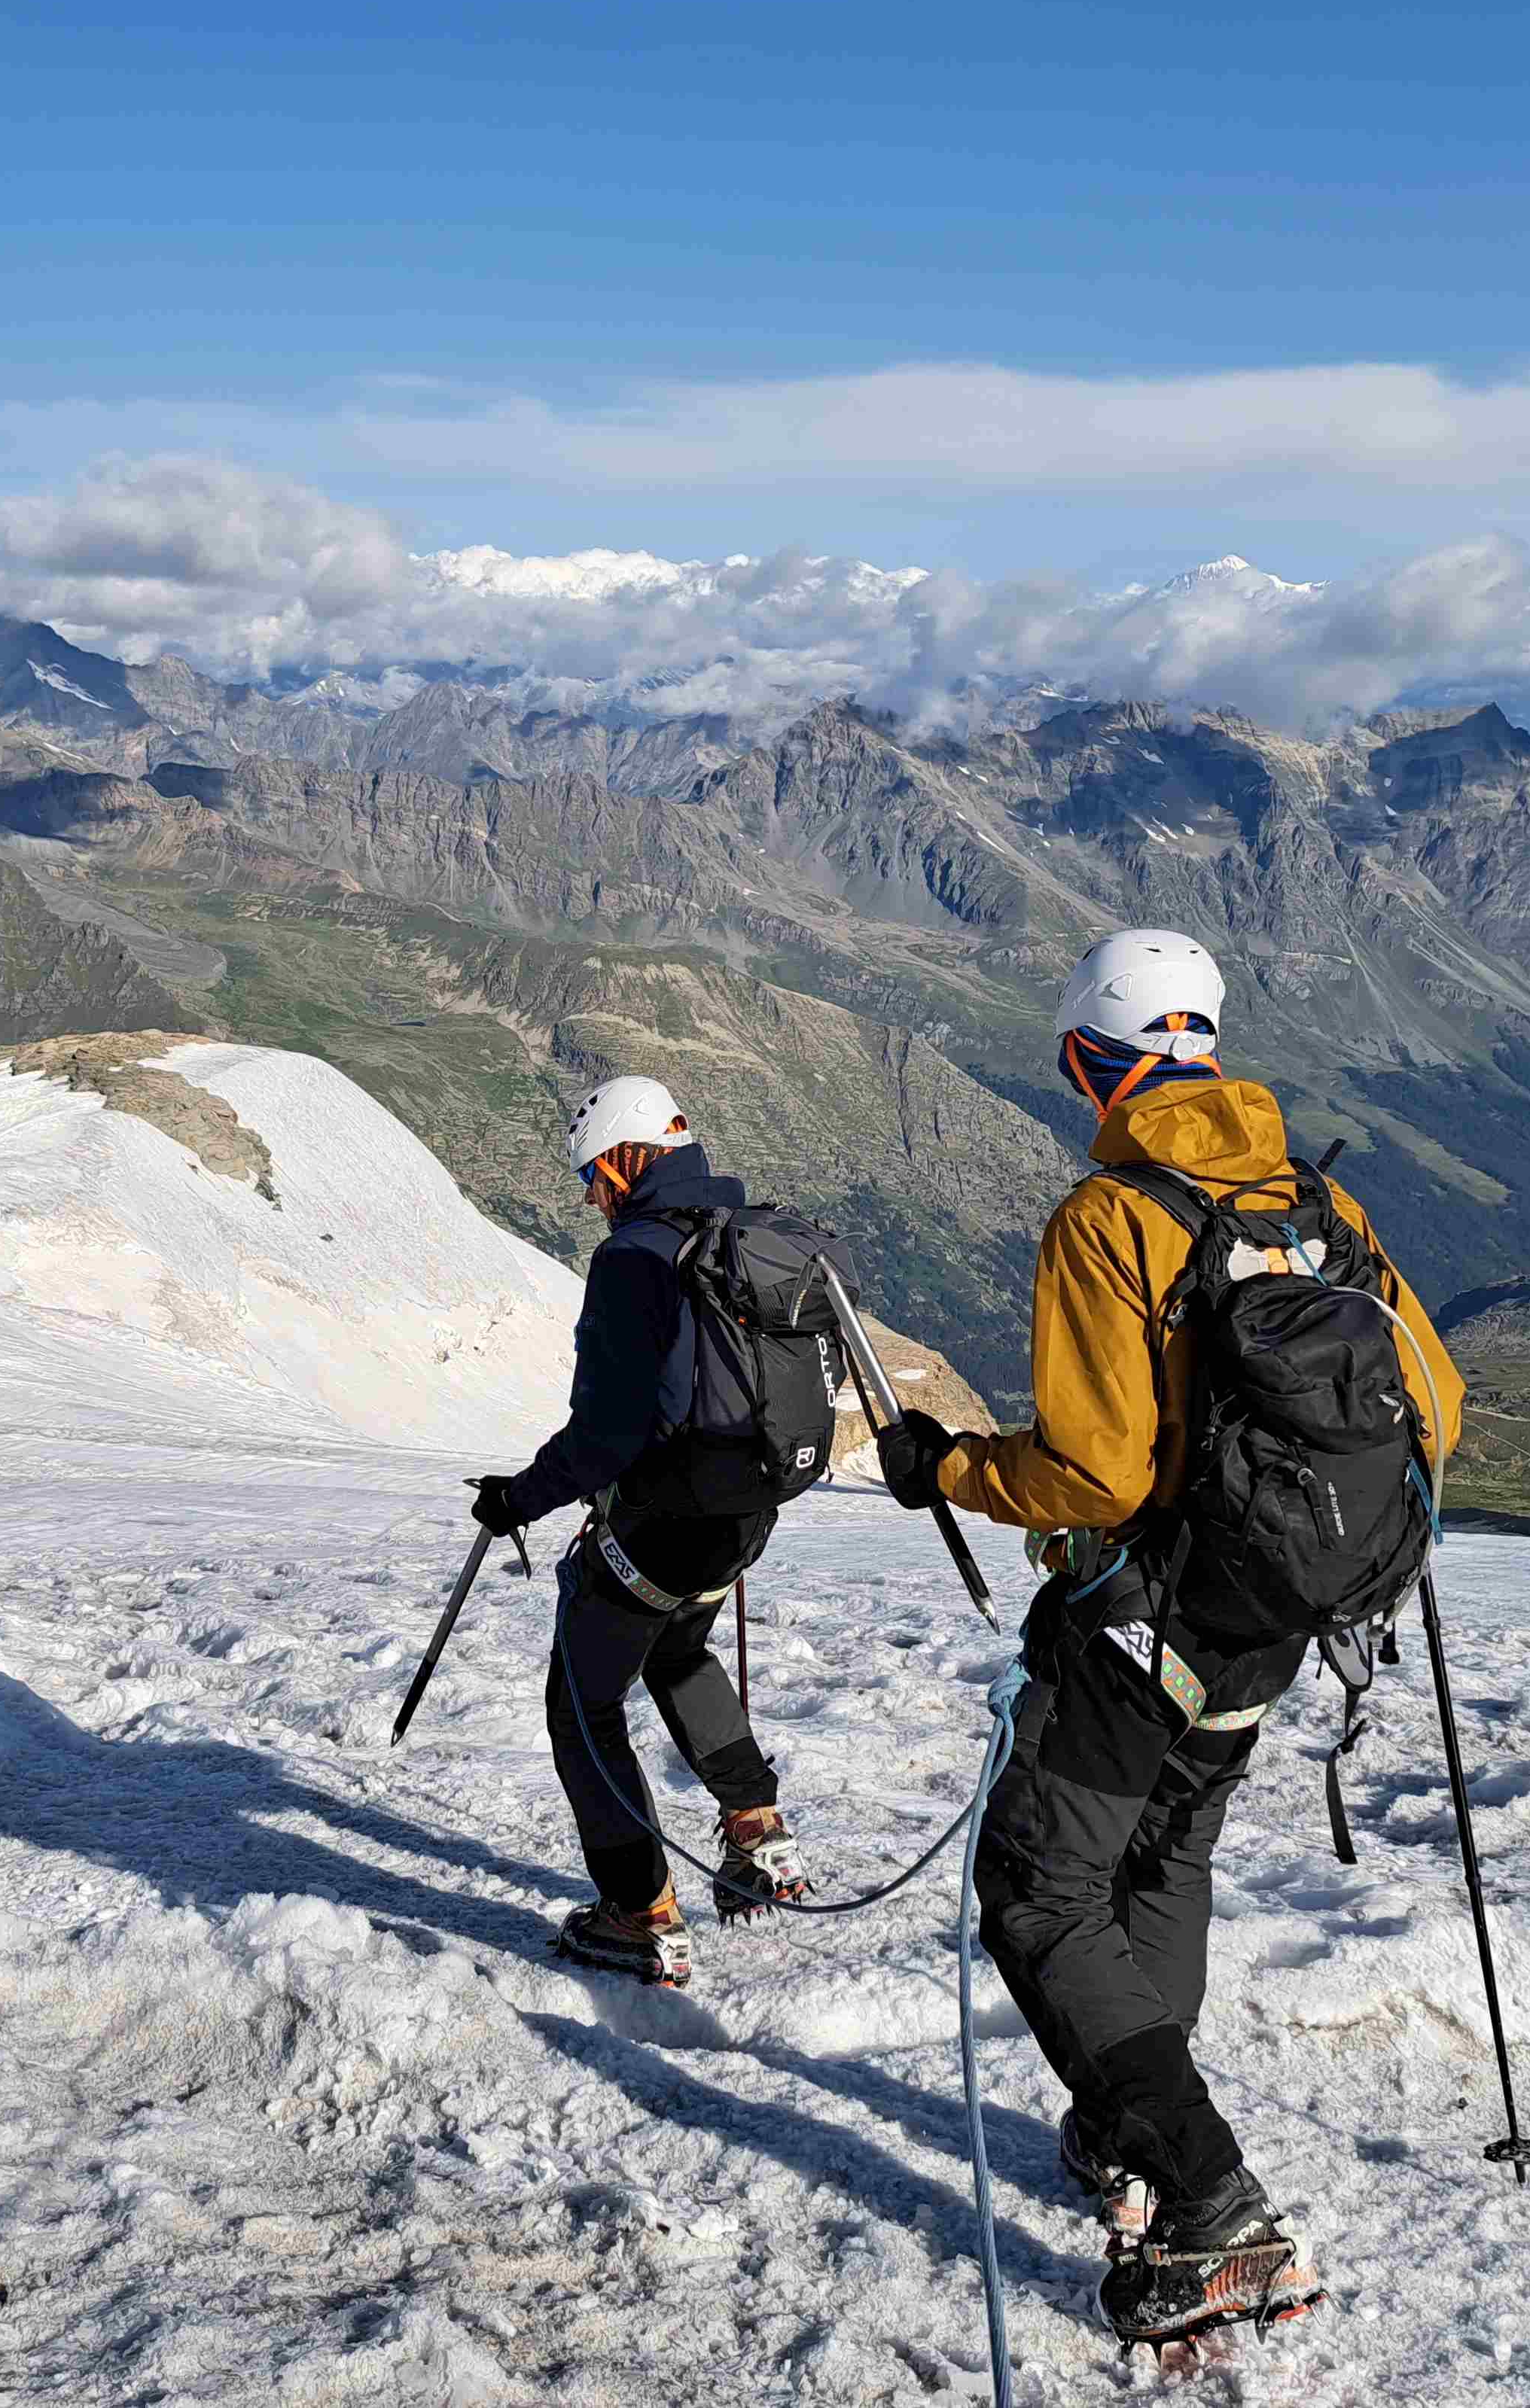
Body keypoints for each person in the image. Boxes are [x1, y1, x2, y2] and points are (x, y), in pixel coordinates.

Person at [872, 928, 1464, 2348]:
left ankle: (1201, 2195)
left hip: (1143, 1617)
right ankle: (1134, 2122)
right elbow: (1433, 1410)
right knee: (1165, 1856)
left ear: (1091, 1060)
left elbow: (1097, 1473)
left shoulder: (1113, 1215)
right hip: (1274, 1625)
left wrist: (945, 1468)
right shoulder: (1315, 1200)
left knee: (1036, 1883)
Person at [468, 1075, 813, 1988]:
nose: (588, 1196)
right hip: (746, 1515)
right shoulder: (748, 1239)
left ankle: (641, 1912)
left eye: (593, 1175)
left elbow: (607, 1433)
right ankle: (758, 1837)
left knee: (582, 1706)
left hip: (658, 1527)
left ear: (627, 1159)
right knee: (676, 1653)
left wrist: (517, 1499)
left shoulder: (637, 1261)